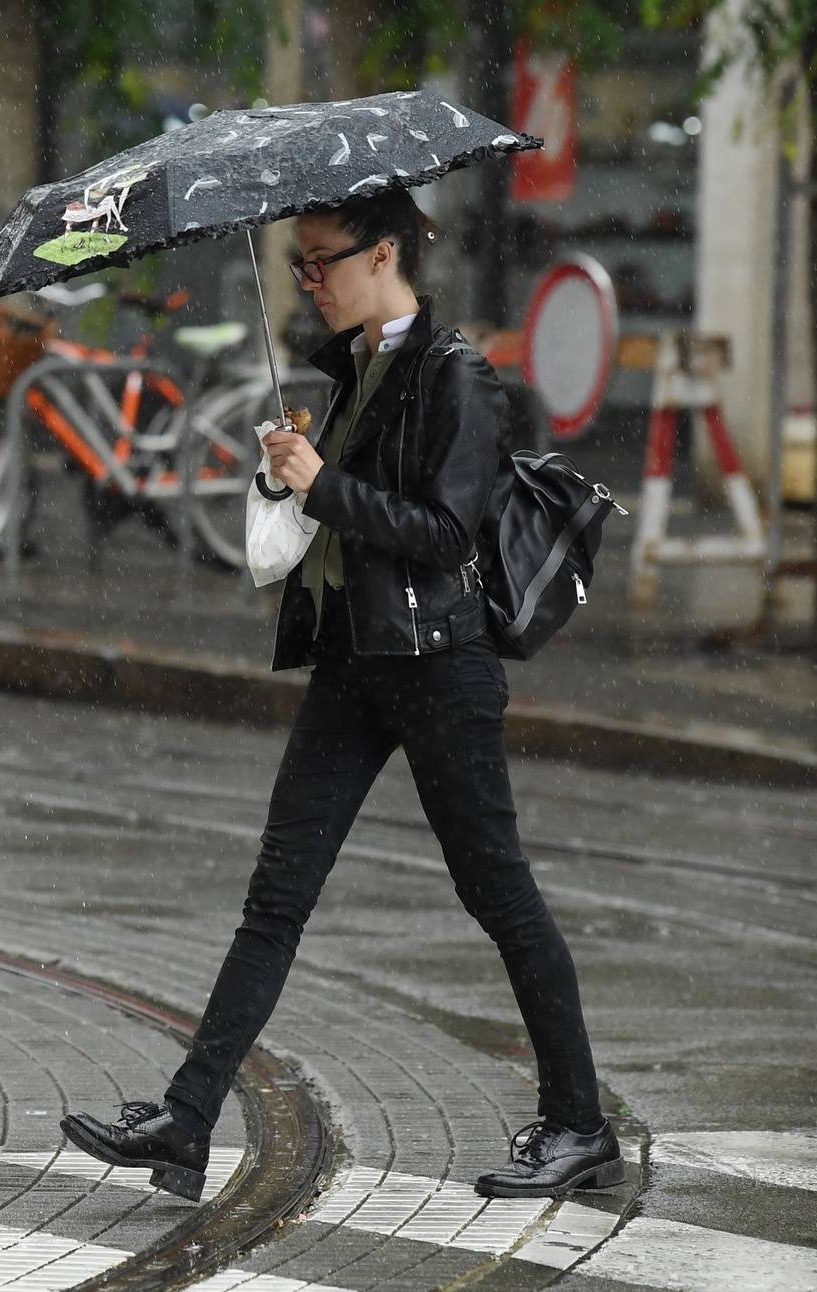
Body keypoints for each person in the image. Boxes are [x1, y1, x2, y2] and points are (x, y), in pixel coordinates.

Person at [59, 188, 622, 1204]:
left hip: (442, 667)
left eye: (322, 261)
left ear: (386, 252)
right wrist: (296, 476)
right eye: (301, 264)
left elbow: (446, 534)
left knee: (498, 891)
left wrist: (322, 481)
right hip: (356, 664)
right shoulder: (355, 370)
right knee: (275, 898)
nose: (308, 282)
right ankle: (186, 1121)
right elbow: (353, 521)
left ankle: (581, 1122)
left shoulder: (460, 375)